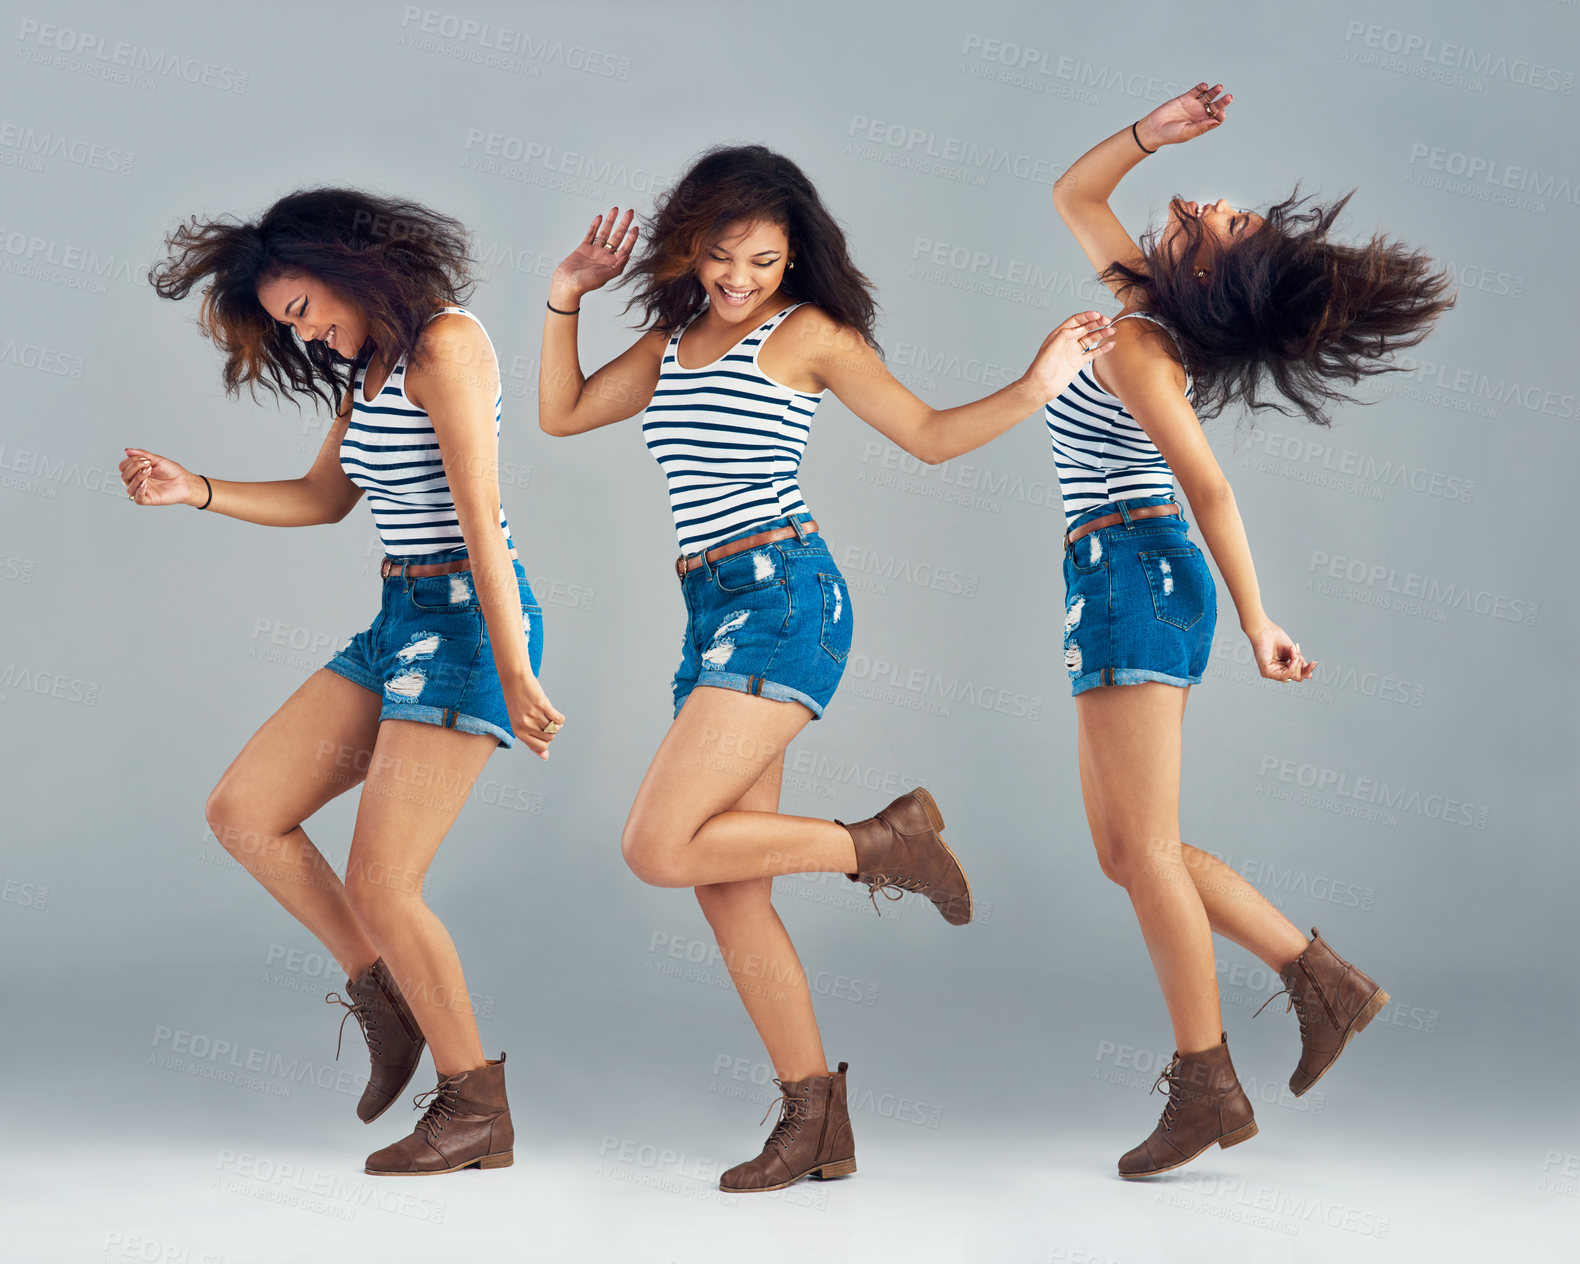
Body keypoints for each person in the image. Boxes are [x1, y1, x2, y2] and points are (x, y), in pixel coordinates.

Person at [537, 143, 1115, 1192]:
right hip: (708, 611)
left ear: (792, 255)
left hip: (783, 599)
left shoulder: (805, 333)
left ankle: (881, 843)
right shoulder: (672, 339)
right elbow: (563, 413)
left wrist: (1039, 383)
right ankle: (816, 1121)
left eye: (761, 260)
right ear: (689, 247)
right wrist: (563, 296)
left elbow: (931, 436)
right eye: (720, 258)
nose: (739, 280)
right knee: (727, 888)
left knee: (657, 845)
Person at [1046, 83, 1454, 1177]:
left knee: (1141, 853)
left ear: (1209, 274)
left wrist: (1257, 617)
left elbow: (1208, 490)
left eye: (1226, 224)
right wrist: (1151, 132)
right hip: (1107, 575)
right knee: (1127, 852)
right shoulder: (1139, 303)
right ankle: (1320, 980)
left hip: (1136, 571)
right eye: (1231, 210)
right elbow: (1071, 190)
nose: (1217, 201)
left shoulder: (1139, 345)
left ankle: (1204, 1082)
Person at [125, 187, 564, 1176]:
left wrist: (512, 661)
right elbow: (325, 500)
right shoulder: (367, 369)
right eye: (292, 323)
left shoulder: (446, 346)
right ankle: (387, 994)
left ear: (356, 265)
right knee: (244, 810)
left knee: (383, 877)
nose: (309, 334)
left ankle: (474, 1106)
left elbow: (480, 516)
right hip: (396, 621)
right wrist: (193, 488)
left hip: (465, 622)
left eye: (305, 309)